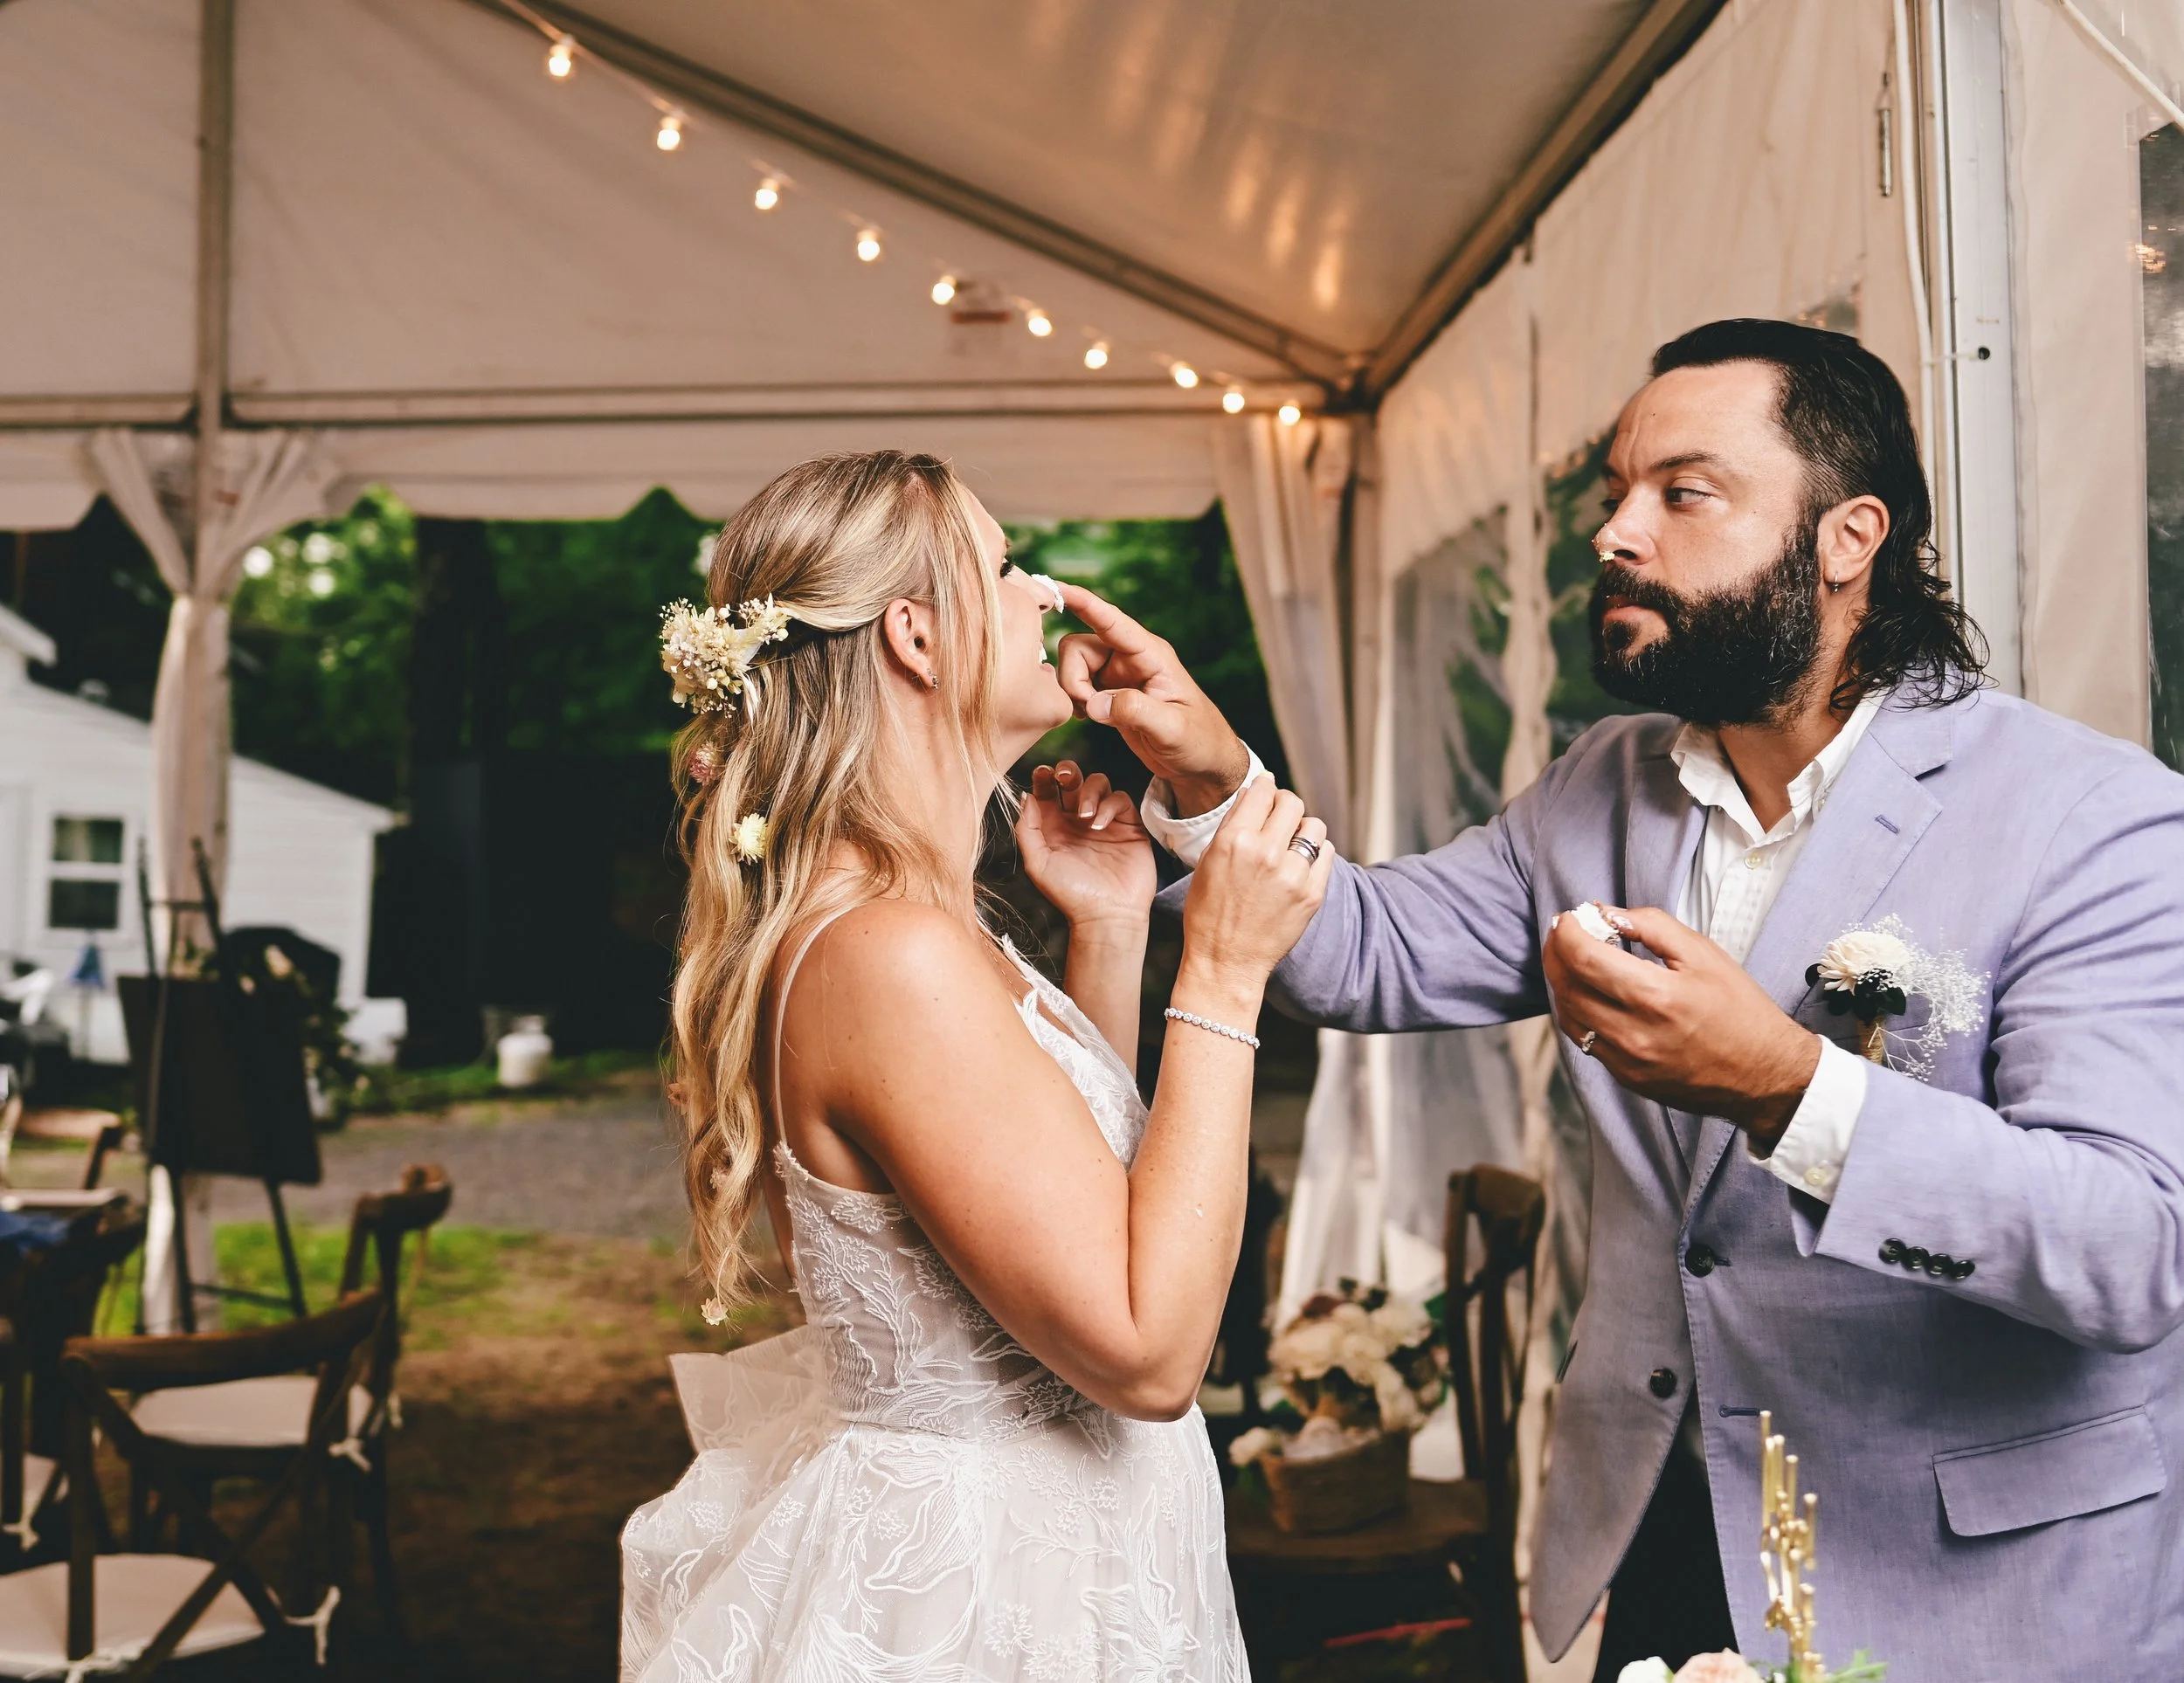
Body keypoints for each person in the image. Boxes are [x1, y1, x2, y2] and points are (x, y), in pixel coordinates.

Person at [1061, 321, 2184, 1682]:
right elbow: (1368, 948)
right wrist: (1209, 779)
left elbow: (2132, 1245)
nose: (1616, 533)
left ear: (1848, 539)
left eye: (1682, 493)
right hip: (1674, 1541)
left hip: (1972, 1580)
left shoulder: (2095, 817)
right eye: (1613, 496)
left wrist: (1790, 1085)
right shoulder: (1607, 780)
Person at [619, 450, 1330, 1682]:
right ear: (914, 633)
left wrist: (1109, 932)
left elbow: (1073, 1211)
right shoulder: (885, 951)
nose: (1042, 590)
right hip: (990, 1600)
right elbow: (1149, 1349)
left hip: (1062, 1557)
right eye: (1002, 567)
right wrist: (1218, 974)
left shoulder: (927, 922)